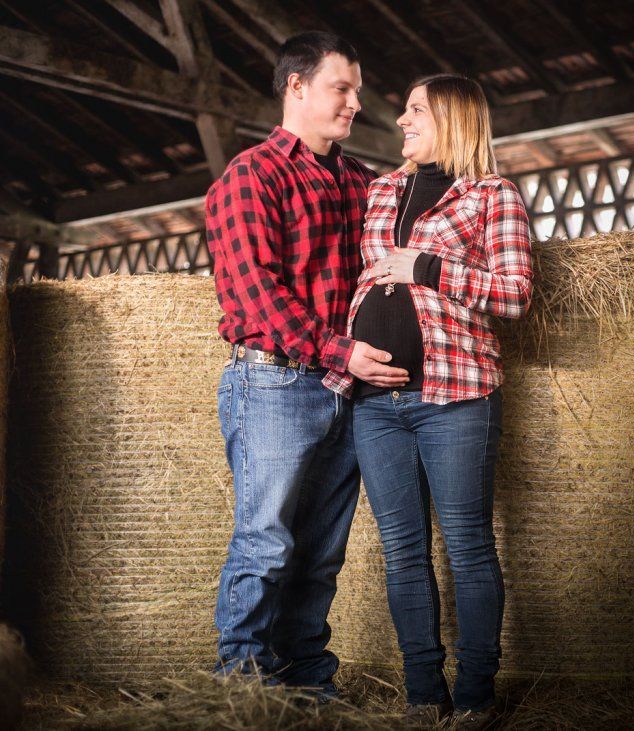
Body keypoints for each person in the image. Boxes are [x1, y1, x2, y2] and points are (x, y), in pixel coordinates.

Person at [321, 74, 533, 727]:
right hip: (374, 402)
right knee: (402, 549)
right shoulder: (381, 191)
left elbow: (515, 293)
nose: (402, 120)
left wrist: (429, 268)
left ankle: (474, 697)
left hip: (456, 394)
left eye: (416, 110)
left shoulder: (492, 194)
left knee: (467, 544)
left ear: (452, 118)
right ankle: (422, 694)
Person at [204, 31, 409, 700]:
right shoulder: (252, 174)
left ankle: (307, 684)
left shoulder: (362, 183)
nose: (356, 103)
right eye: (341, 88)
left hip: (348, 387)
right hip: (275, 379)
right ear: (296, 87)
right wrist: (343, 351)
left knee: (321, 551)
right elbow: (256, 292)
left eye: (357, 91)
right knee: (266, 542)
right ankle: (243, 688)